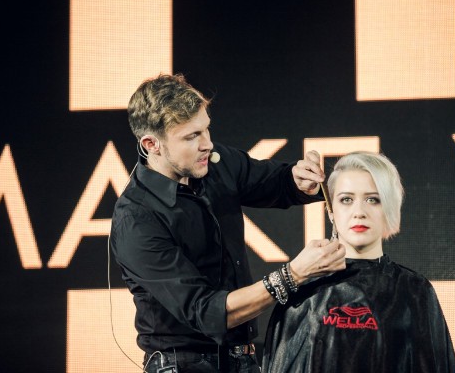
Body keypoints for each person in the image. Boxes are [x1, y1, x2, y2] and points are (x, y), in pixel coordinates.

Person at [110, 73, 346, 373]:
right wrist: (293, 275)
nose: (207, 144)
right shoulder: (136, 218)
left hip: (242, 359)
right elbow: (208, 312)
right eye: (191, 137)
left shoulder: (217, 163)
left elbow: (277, 182)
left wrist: (299, 181)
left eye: (206, 129)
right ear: (151, 144)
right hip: (183, 366)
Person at [262, 151, 455, 373]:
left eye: (372, 199)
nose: (359, 212)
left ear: (388, 207)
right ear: (331, 211)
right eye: (346, 200)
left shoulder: (415, 290)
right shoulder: (302, 290)